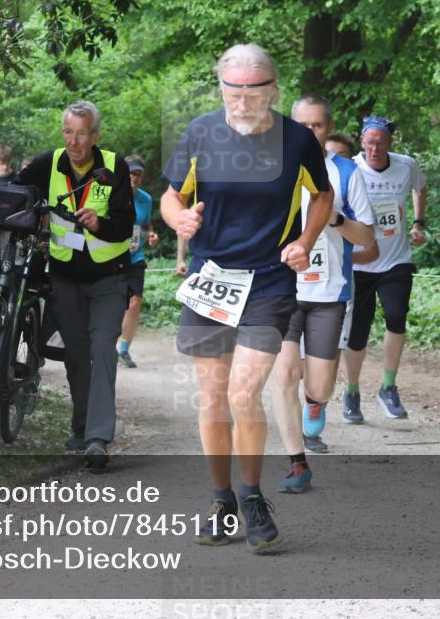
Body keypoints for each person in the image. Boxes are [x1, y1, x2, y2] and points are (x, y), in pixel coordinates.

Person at [160, 44, 333, 552]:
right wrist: (179, 219)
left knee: (242, 394)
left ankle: (252, 496)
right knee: (213, 397)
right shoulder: (199, 132)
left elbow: (321, 195)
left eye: (251, 93)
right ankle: (221, 501)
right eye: (231, 91)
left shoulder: (298, 140)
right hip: (212, 279)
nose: (240, 102)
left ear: (272, 91)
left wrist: (303, 241)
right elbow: (173, 195)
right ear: (221, 90)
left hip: (268, 281)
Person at [0, 101, 133, 469]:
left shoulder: (114, 168)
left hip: (108, 276)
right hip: (65, 276)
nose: (74, 141)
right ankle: (83, 427)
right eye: (68, 132)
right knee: (75, 354)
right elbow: (13, 191)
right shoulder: (49, 163)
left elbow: (125, 225)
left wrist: (99, 225)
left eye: (82, 133)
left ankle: (98, 439)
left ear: (95, 136)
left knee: (101, 348)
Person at [271, 95, 377, 493]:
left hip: (329, 292)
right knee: (284, 375)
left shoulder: (348, 173)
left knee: (319, 385)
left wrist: (333, 217)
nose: (309, 132)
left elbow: (366, 238)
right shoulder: (273, 170)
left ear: (327, 128)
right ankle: (298, 465)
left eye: (317, 126)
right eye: (302, 125)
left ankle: (315, 401)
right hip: (281, 288)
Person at [340, 115, 427, 422]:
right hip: (361, 263)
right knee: (358, 332)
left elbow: (420, 189)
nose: (374, 150)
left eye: (380, 143)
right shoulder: (349, 168)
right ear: (361, 142)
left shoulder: (406, 165)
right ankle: (351, 392)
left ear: (390, 143)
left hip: (396, 259)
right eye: (369, 143)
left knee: (396, 315)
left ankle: (388, 387)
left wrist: (417, 222)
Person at [117, 155, 159, 368]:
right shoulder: (113, 193)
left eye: (138, 174)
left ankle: (123, 350)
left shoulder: (146, 199)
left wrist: (150, 235)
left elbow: (145, 224)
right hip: (112, 256)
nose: (134, 177)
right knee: (111, 304)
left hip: (136, 256)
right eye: (131, 172)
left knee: (134, 303)